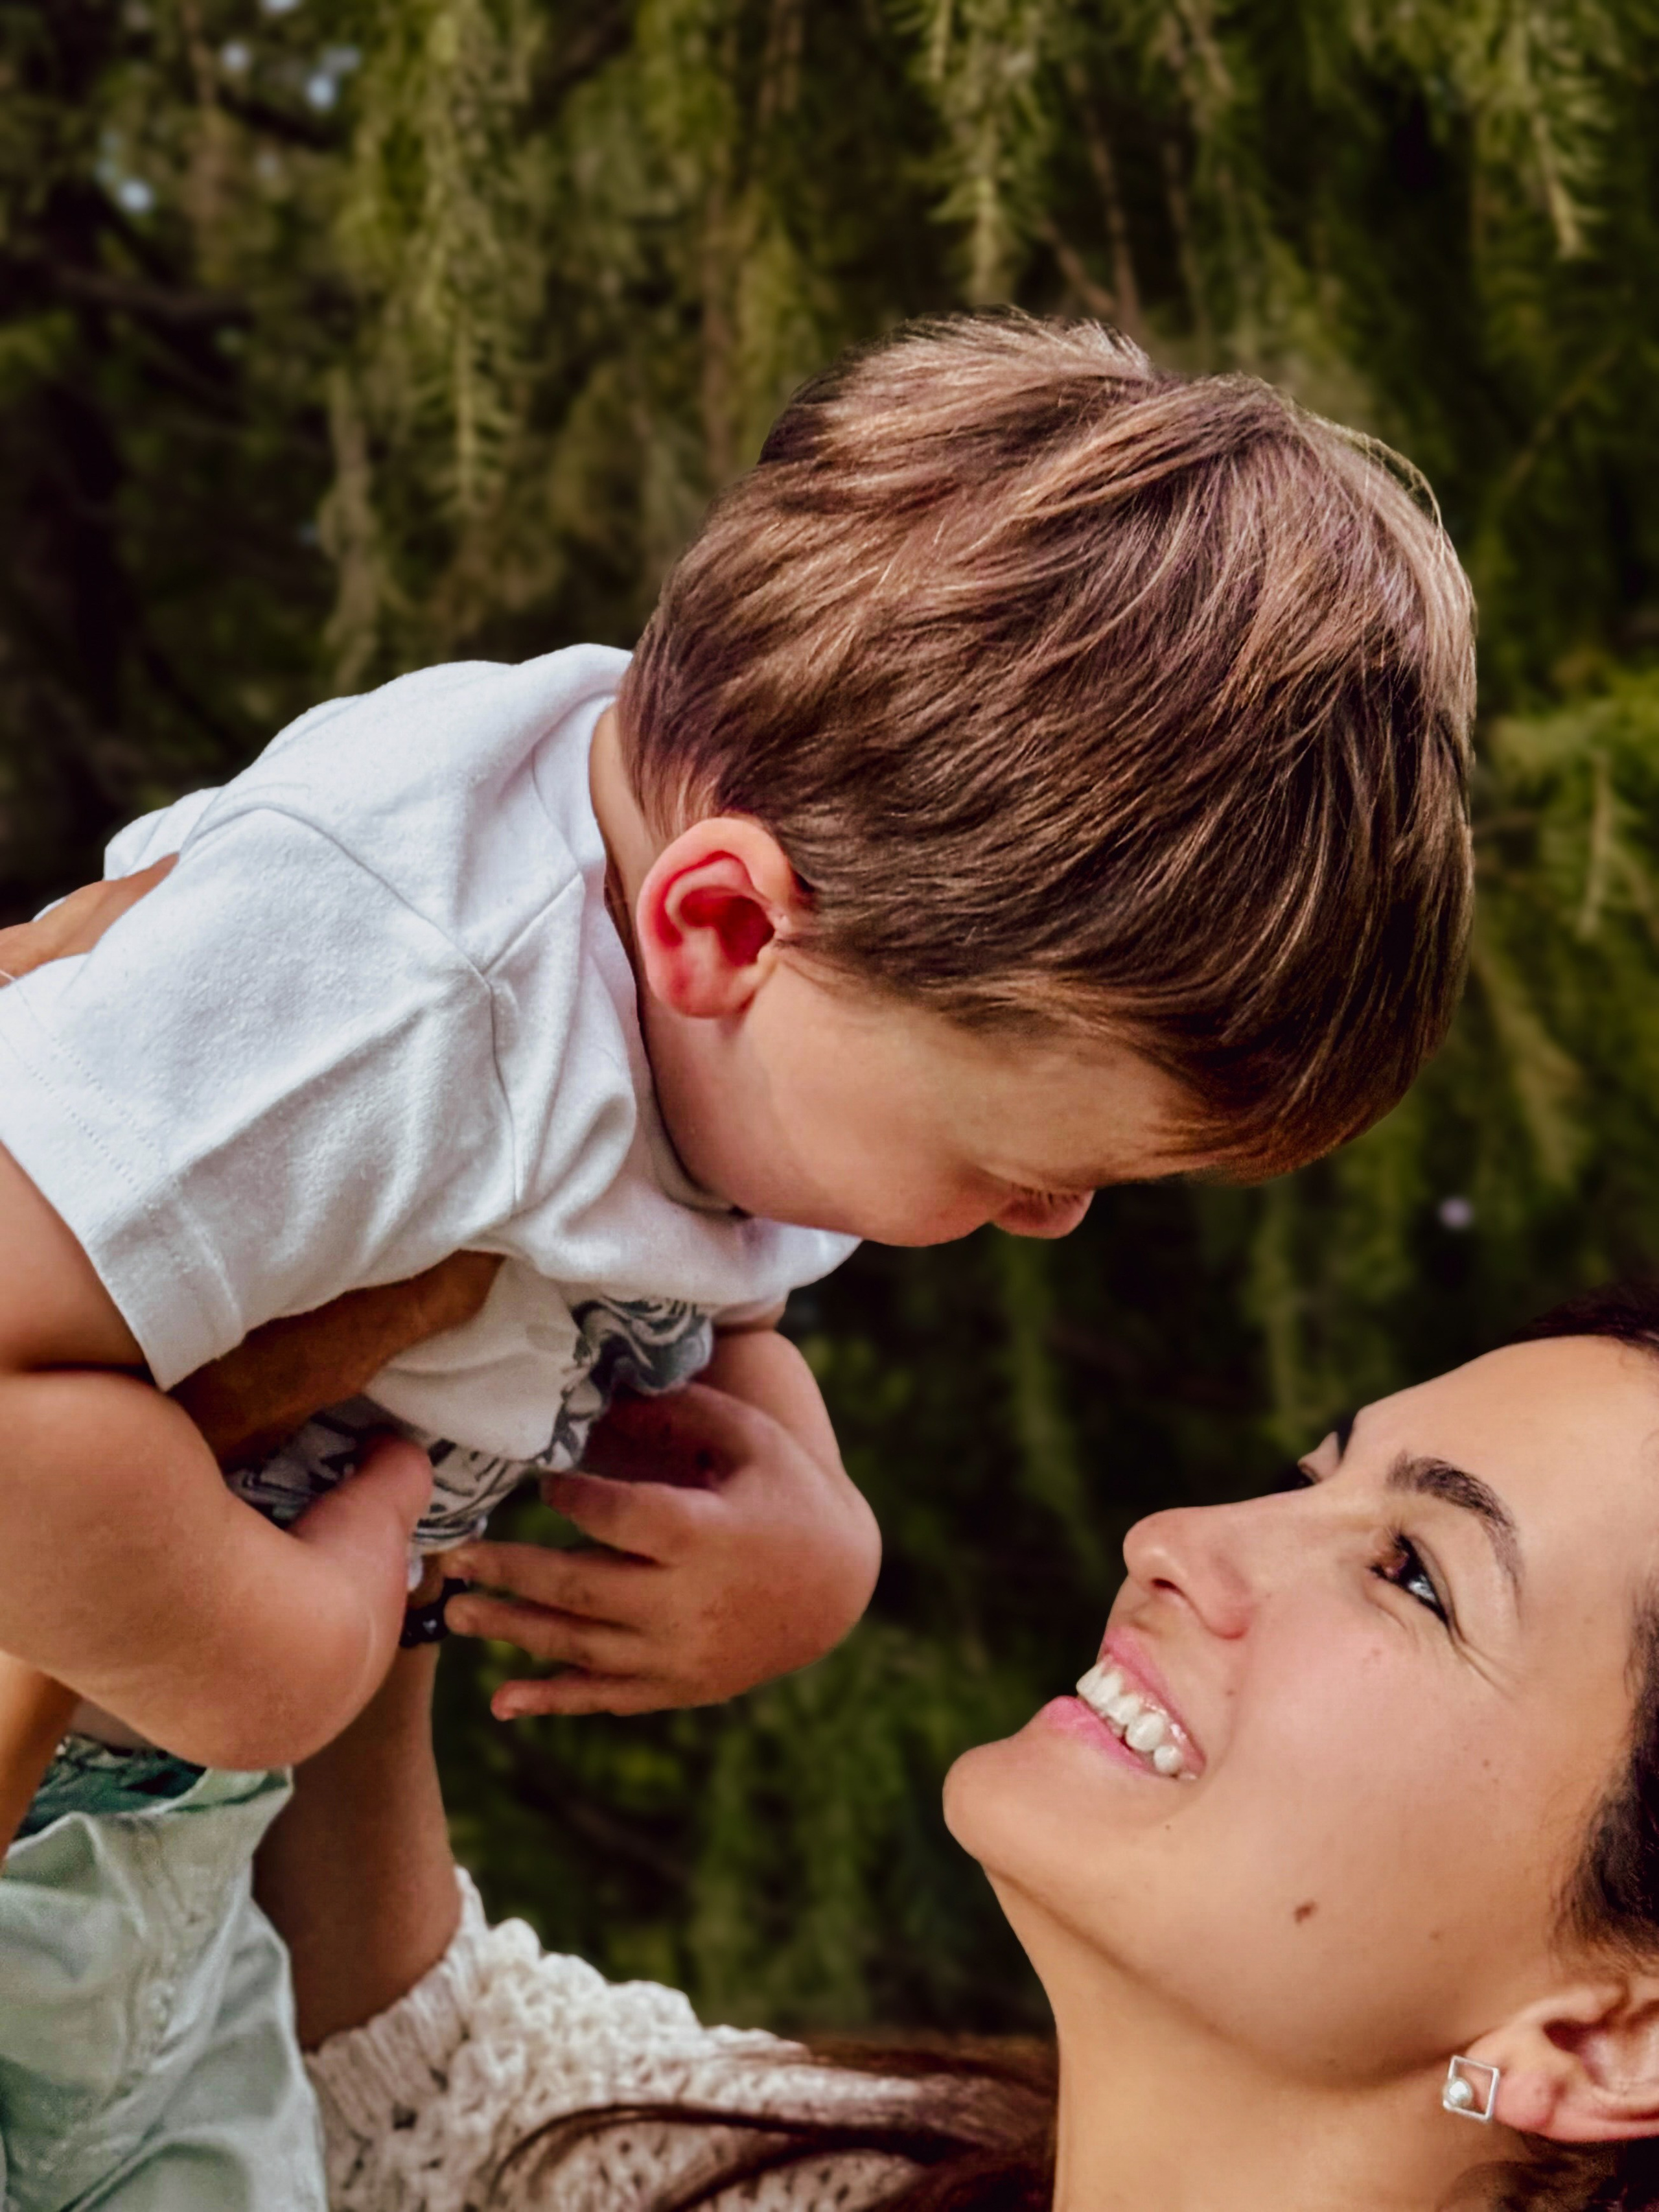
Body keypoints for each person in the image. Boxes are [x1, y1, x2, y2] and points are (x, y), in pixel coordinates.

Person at [0, 310, 1476, 2207]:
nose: (1049, 1219)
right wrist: (266, 1653)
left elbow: (699, 1300)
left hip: (162, 1897)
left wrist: (808, 1527)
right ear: (721, 927)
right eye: (1011, 1166)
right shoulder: (403, 1000)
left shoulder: (757, 985)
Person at [292, 1281, 1659, 2212]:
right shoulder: (850, 2184)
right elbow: (421, 2091)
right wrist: (421, 1469)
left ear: (1611, 2038)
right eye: (1313, 1475)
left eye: (1411, 1573)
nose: (1173, 1541)